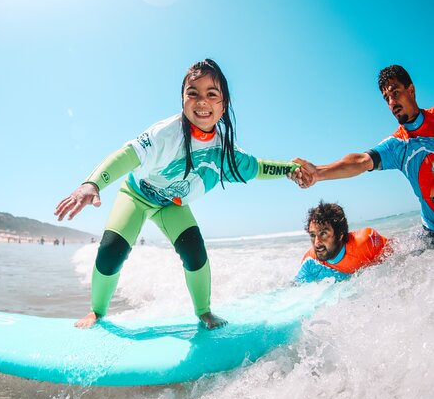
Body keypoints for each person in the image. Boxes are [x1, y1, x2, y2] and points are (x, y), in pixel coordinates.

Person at [54, 58, 299, 330]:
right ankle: (96, 313)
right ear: (182, 99)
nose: (201, 101)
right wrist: (93, 183)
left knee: (195, 252)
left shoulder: (224, 151)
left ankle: (204, 312)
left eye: (211, 94)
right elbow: (127, 155)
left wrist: (292, 169)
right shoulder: (165, 133)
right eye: (192, 94)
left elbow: (258, 168)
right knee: (112, 251)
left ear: (224, 104)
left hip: (171, 204)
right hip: (137, 194)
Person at [292, 65, 434, 233]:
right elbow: (361, 161)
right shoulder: (398, 145)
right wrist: (317, 172)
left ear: (411, 90)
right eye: (386, 98)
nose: (392, 103)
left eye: (395, 93)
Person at [294, 201, 389, 283]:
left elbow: (395, 258)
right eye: (313, 235)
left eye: (323, 234)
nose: (316, 242)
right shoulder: (311, 262)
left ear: (340, 234)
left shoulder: (365, 242)